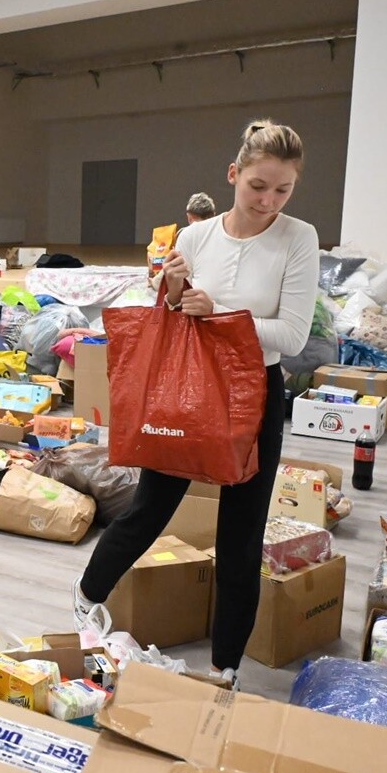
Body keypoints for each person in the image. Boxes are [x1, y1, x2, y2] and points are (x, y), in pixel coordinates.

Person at [73, 120, 319, 687]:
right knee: (150, 507)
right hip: (186, 389)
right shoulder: (195, 237)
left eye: (283, 189)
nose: (268, 201)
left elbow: (292, 337)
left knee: (241, 535)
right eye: (258, 185)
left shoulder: (298, 238)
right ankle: (86, 598)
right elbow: (174, 317)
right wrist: (174, 292)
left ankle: (224, 668)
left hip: (254, 393)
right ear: (233, 174)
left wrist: (220, 315)